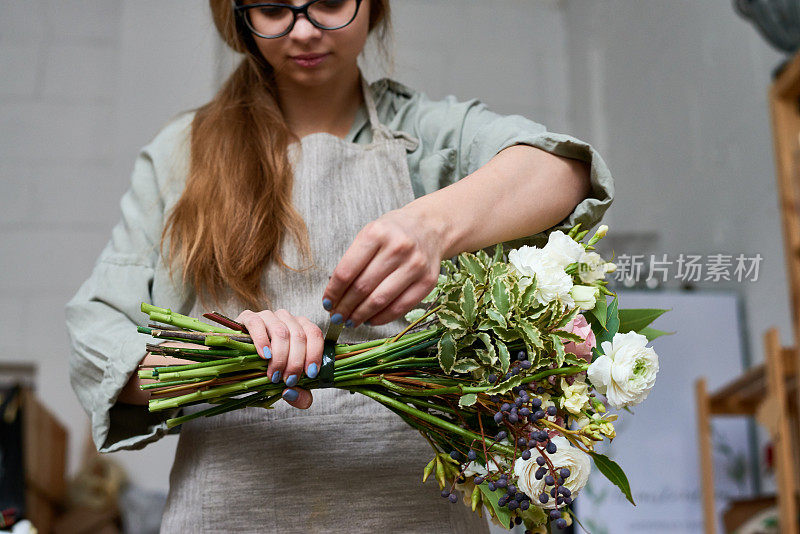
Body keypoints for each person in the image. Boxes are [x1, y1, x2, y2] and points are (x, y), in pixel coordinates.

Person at [65, 0, 614, 531]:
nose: (303, 31)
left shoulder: (426, 135)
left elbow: (563, 173)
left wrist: (431, 226)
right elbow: (97, 337)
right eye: (274, 10)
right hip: (232, 513)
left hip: (414, 510)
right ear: (240, 17)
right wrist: (230, 353)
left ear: (374, 5)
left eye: (329, 3)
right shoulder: (182, 154)